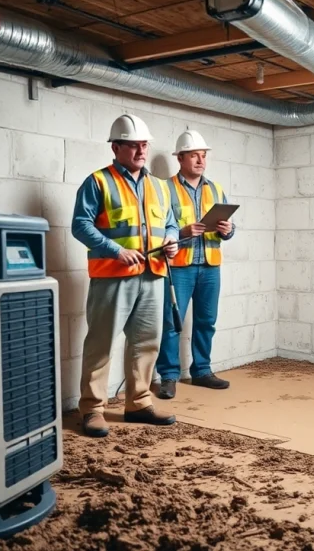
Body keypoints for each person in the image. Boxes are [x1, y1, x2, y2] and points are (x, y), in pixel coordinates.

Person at [71, 113, 181, 438]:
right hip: (113, 276)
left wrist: (171, 240)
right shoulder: (98, 181)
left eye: (144, 145)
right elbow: (80, 224)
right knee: (101, 343)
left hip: (153, 273)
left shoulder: (160, 187)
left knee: (147, 343)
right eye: (133, 146)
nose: (140, 151)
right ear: (115, 147)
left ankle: (139, 403)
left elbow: (170, 223)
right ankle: (92, 410)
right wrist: (115, 250)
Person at [152, 129, 235, 399]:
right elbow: (159, 227)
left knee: (206, 321)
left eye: (203, 155)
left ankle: (202, 371)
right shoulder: (165, 189)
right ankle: (169, 376)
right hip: (179, 267)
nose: (200, 160)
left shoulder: (216, 188)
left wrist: (227, 229)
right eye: (194, 156)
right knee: (171, 322)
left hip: (210, 265)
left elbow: (231, 230)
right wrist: (184, 233)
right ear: (181, 158)